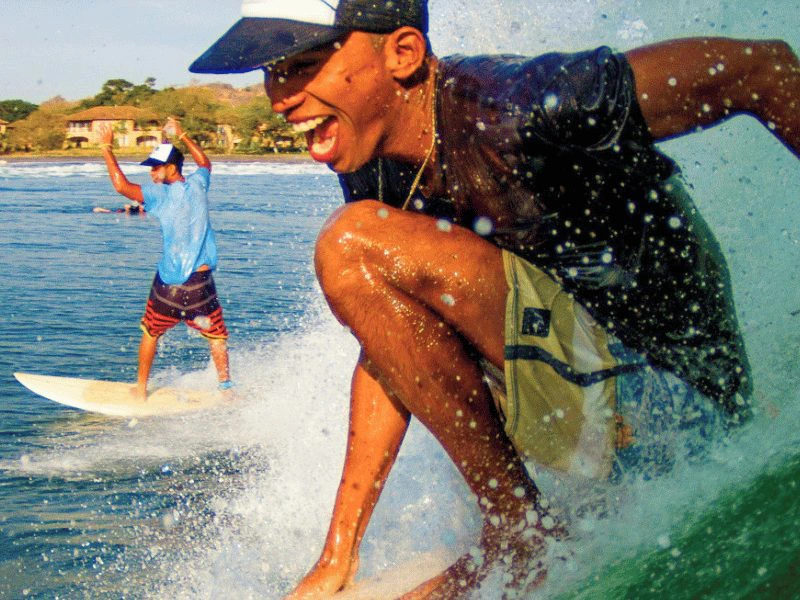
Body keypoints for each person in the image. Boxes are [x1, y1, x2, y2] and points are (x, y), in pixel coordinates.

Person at [191, 1, 799, 597]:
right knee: (360, 259)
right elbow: (390, 345)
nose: (279, 97)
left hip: (679, 410)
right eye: (272, 73)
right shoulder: (373, 162)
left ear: (402, 52)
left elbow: (763, 68)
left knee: (350, 244)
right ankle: (519, 527)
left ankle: (519, 530)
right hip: (597, 404)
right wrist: (338, 553)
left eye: (302, 66)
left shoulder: (519, 105)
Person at [99, 118, 233, 400]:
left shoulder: (158, 195)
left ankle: (140, 389)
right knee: (216, 335)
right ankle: (225, 389)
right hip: (201, 284)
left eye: (156, 167)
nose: (152, 173)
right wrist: (182, 135)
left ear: (172, 167)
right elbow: (205, 163)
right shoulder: (199, 183)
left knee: (151, 332)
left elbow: (121, 186)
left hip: (169, 284)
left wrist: (106, 148)